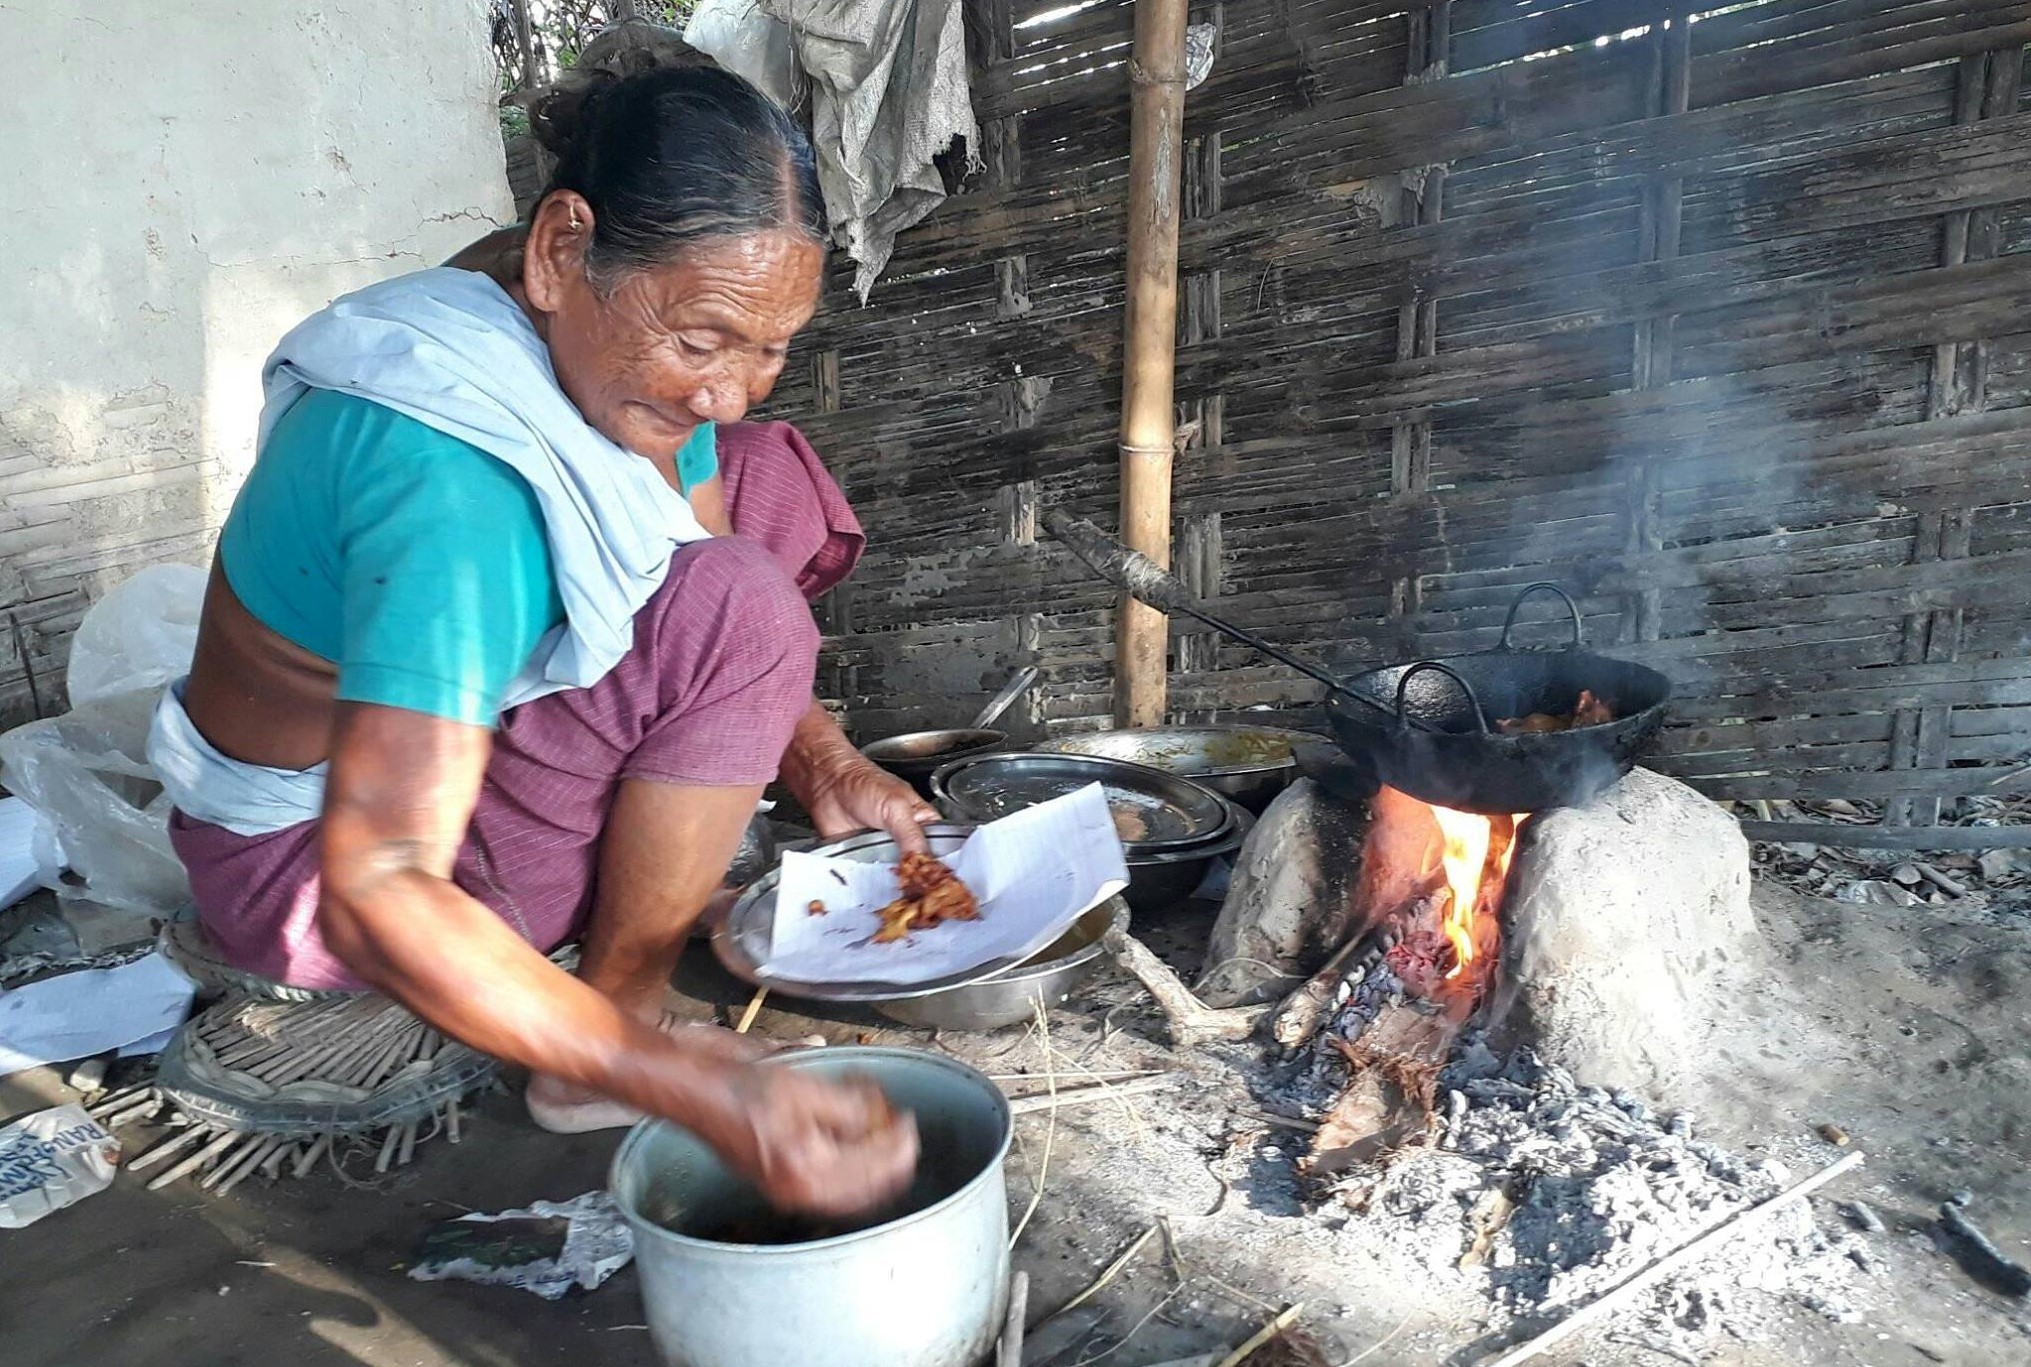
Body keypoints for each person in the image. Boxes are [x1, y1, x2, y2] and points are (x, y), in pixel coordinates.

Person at [148, 67, 932, 1217]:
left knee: (763, 487)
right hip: (309, 880)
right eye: (707, 337)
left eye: (771, 346)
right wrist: (674, 1078)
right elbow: (378, 888)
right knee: (744, 609)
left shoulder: (554, 312)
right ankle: (603, 1025)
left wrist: (821, 761)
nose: (729, 389)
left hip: (405, 782)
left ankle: (644, 888)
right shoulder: (449, 484)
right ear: (564, 248)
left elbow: (701, 540)